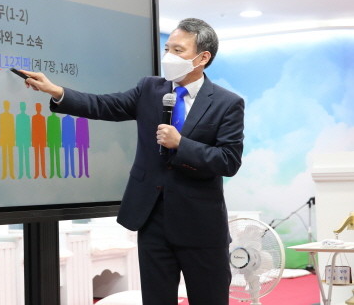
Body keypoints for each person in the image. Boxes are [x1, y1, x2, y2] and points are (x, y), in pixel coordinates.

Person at [21, 18, 245, 305]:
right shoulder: (150, 89)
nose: (169, 56)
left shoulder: (227, 103)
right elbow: (104, 105)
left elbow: (228, 161)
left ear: (202, 58)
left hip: (200, 225)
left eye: (178, 50)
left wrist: (181, 144)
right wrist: (57, 91)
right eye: (167, 48)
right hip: (152, 219)